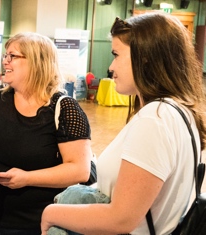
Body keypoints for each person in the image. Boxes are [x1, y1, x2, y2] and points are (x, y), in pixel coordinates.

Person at [41, 13, 206, 235]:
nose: (110, 66)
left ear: (145, 57)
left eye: (116, 55)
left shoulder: (155, 119)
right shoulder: (178, 110)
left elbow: (121, 218)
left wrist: (51, 213)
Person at [0, 32, 92, 235]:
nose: (5, 61)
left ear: (37, 62)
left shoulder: (64, 108)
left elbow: (80, 170)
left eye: (12, 56)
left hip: (35, 224)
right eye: (5, 56)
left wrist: (27, 178)